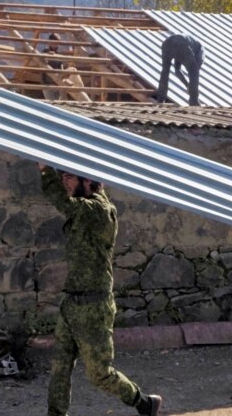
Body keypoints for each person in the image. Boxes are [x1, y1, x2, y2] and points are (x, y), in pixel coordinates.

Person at [39, 164, 162, 416]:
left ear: (89, 181)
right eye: (63, 178)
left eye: (70, 178)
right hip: (72, 304)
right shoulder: (81, 211)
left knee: (99, 374)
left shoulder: (100, 210)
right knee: (60, 366)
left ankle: (144, 402)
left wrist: (45, 172)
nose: (66, 183)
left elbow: (66, 205)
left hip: (93, 307)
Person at [156, 34, 203, 106]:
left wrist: (187, 85)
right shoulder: (200, 49)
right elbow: (195, 69)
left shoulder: (187, 49)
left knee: (165, 71)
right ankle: (194, 100)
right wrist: (191, 87)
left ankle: (160, 99)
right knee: (194, 70)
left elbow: (177, 70)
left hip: (167, 42)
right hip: (181, 43)